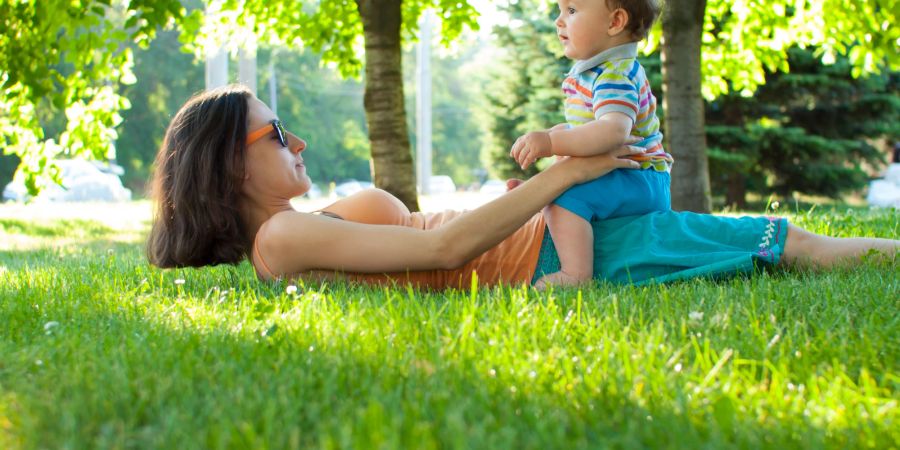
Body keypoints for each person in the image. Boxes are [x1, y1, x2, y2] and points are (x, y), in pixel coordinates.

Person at [147, 86, 899, 290]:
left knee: (768, 238)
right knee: (781, 240)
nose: (298, 141)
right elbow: (445, 245)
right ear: (231, 166)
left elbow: (436, 233)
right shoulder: (278, 239)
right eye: (276, 134)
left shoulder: (294, 226)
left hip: (541, 236)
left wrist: (536, 190)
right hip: (542, 256)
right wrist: (566, 173)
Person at [509, 0, 672, 288]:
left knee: (563, 198)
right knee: (559, 182)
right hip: (626, 177)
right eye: (560, 11)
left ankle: (575, 274)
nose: (559, 21)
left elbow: (612, 131)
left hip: (638, 177)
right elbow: (583, 129)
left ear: (614, 22)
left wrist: (551, 141)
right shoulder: (596, 71)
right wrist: (553, 135)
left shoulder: (614, 75)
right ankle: (537, 198)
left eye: (571, 11)